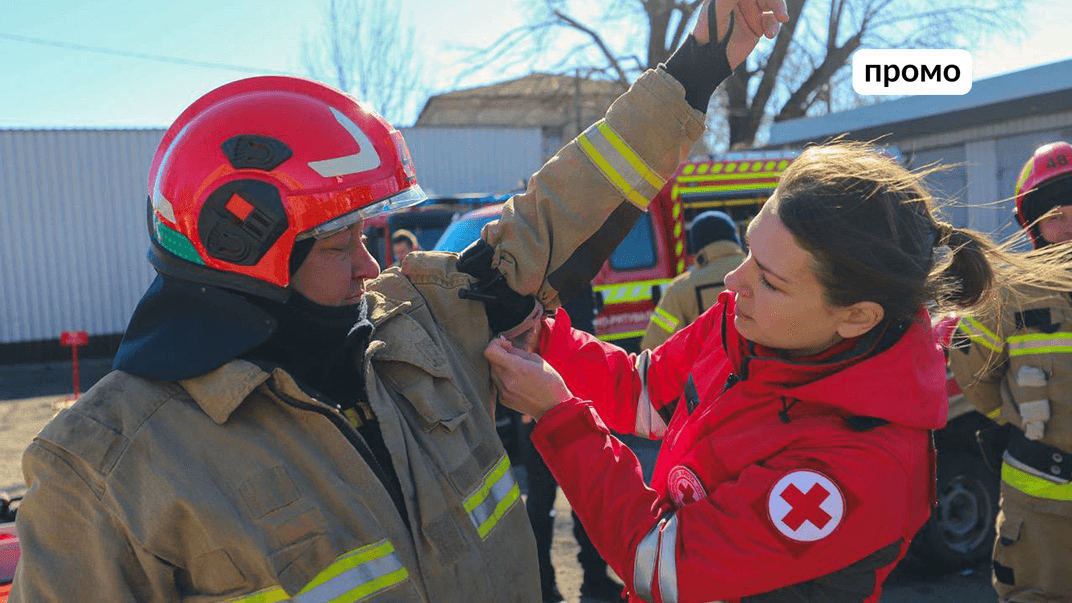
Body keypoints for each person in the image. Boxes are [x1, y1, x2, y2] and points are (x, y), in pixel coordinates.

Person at [9, 1, 788, 601]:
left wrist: (700, 66)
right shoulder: (102, 469)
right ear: (243, 246)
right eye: (339, 244)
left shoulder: (415, 327)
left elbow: (556, 214)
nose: (370, 267)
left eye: (369, 236)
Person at [485, 139, 1072, 603]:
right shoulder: (749, 323)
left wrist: (558, 417)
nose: (734, 283)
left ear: (856, 316)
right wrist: (548, 341)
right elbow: (644, 389)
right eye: (749, 253)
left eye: (770, 278)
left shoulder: (860, 466)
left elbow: (658, 561)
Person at [949, 141, 1072, 603]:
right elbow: (969, 367)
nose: (1068, 227)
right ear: (1033, 223)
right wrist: (1015, 420)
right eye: (1055, 214)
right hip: (1039, 513)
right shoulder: (1008, 293)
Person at [521, 283, 625, 603]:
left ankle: (593, 579)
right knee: (542, 501)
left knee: (586, 497)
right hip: (535, 401)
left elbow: (587, 341)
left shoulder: (575, 279)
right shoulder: (524, 276)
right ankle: (544, 585)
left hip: (574, 400)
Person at [640, 210, 745, 349]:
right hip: (762, 368)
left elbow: (654, 345)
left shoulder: (679, 289)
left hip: (707, 369)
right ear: (735, 239)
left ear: (696, 246)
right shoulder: (762, 272)